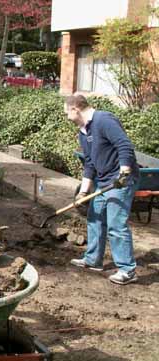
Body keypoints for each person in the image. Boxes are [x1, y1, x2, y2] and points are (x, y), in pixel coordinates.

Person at [64, 94, 139, 285]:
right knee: (94, 218)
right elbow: (89, 163)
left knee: (116, 224)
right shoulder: (83, 131)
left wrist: (124, 171)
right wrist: (83, 191)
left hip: (120, 181)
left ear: (75, 109)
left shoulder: (104, 120)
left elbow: (124, 145)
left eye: (67, 112)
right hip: (103, 181)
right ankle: (93, 260)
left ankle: (127, 270)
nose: (66, 117)